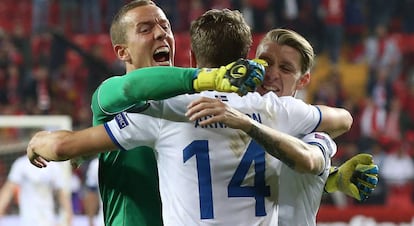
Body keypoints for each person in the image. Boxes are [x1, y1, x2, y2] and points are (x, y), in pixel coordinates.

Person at [27, 9, 376, 225]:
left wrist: (327, 176)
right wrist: (209, 81)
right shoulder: (116, 95)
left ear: (191, 54)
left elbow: (296, 164)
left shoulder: (166, 111)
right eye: (147, 29)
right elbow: (341, 120)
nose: (161, 33)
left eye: (164, 25)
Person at [186, 28, 378, 225]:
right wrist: (331, 180)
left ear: (303, 80)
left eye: (285, 68)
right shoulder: (223, 113)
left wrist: (327, 177)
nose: (271, 74)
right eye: (266, 62)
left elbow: (311, 159)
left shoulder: (307, 129)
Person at [0, 155, 72, 226]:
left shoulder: (53, 166)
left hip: (48, 220)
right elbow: (8, 190)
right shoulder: (21, 164)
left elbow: (61, 194)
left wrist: (69, 216)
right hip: (28, 221)